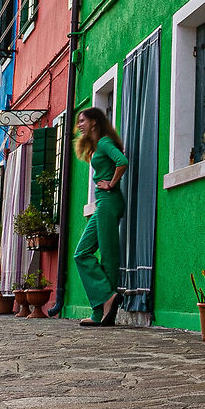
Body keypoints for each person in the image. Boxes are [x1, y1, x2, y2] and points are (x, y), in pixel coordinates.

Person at [71, 105, 127, 328]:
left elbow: (122, 161)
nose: (79, 126)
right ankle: (101, 312)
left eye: (82, 121)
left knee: (106, 256)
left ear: (94, 121)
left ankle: (104, 306)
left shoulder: (104, 142)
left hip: (109, 201)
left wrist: (112, 183)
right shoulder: (98, 145)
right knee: (83, 253)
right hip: (103, 203)